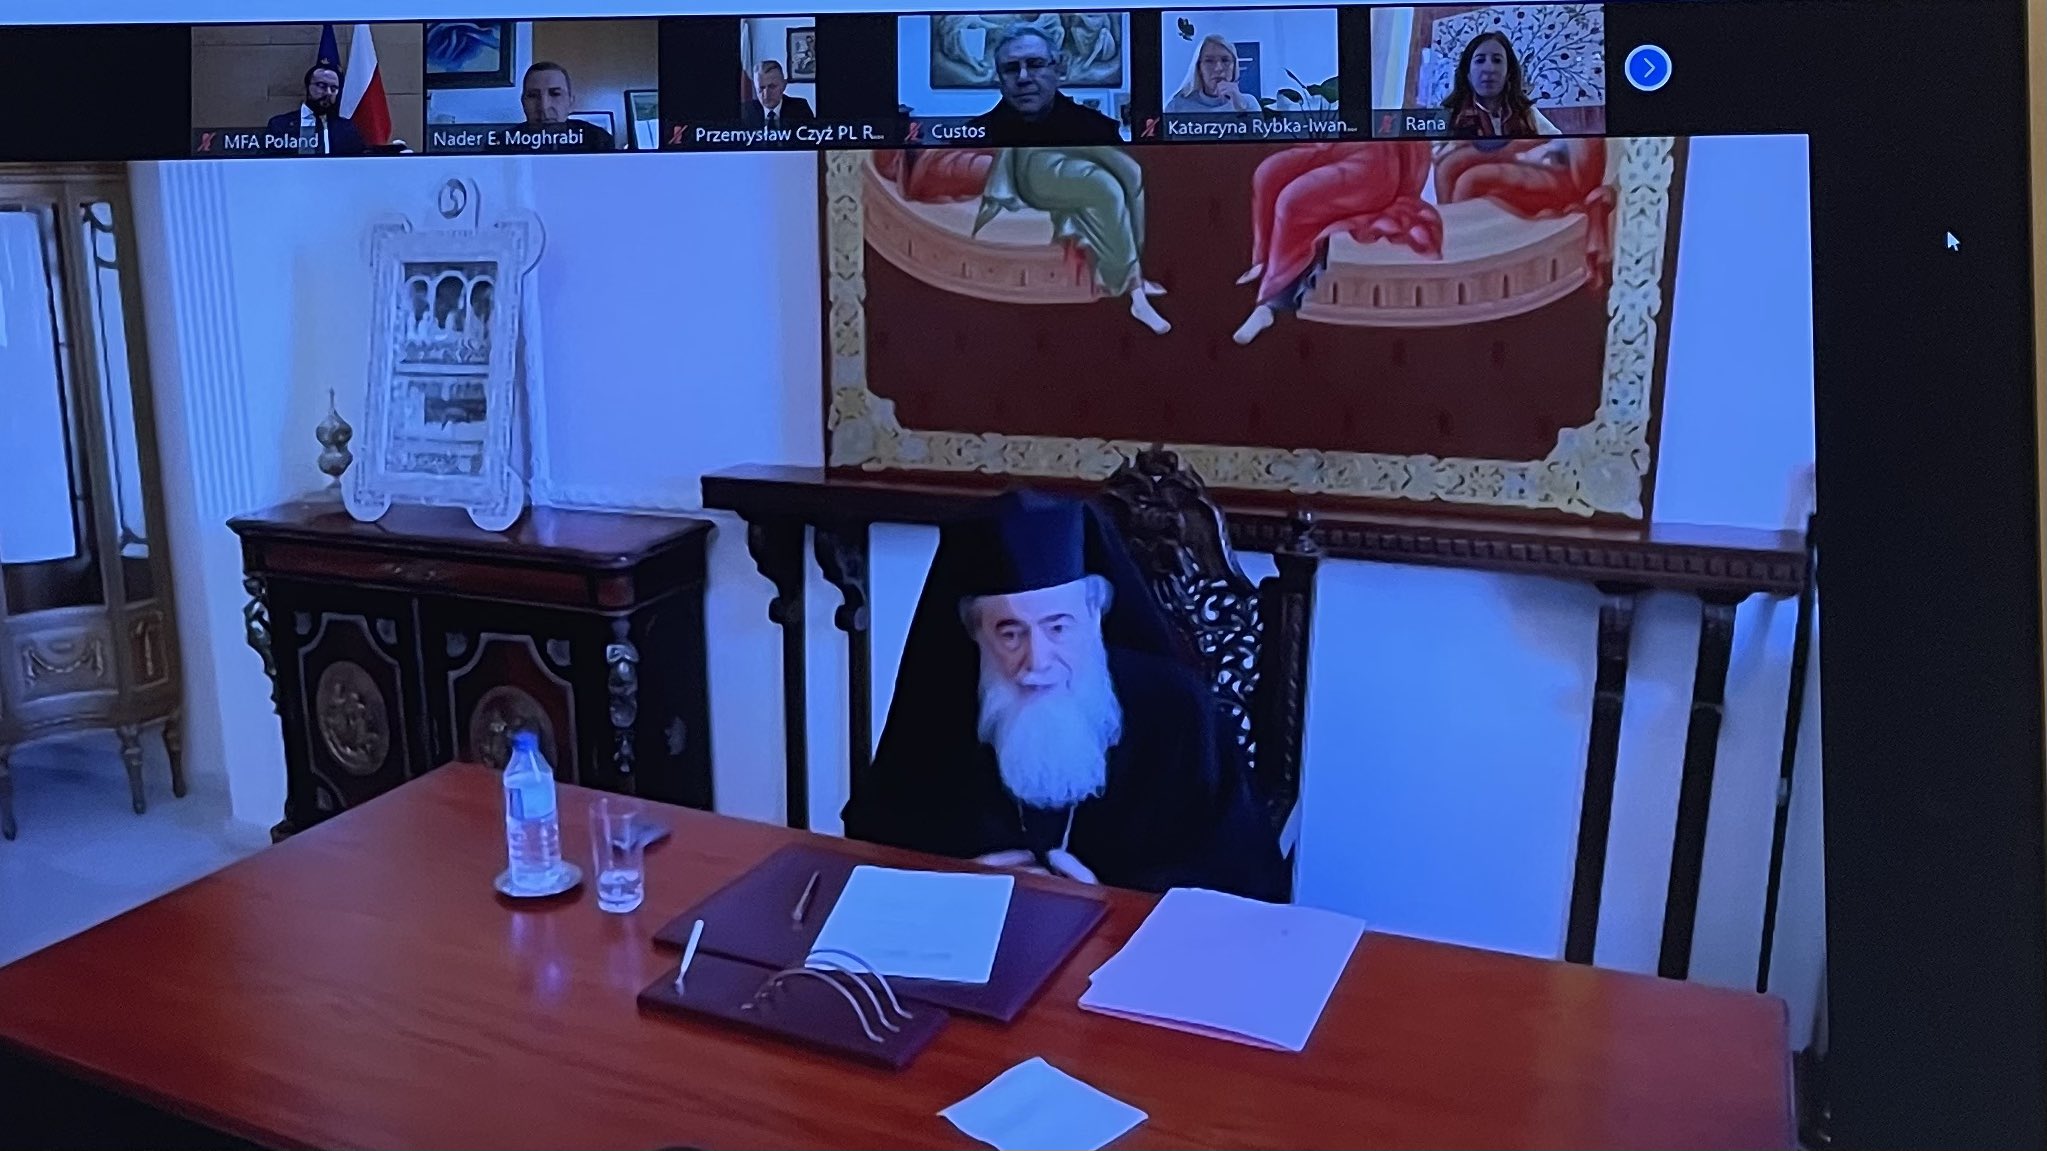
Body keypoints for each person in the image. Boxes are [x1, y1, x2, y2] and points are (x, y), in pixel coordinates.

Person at [843, 491, 1288, 902]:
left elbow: (1243, 879)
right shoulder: (940, 708)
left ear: (1094, 614)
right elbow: (875, 852)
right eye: (1010, 633)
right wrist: (957, 882)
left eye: (1057, 627)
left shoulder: (1174, 708)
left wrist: (1105, 903)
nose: (1036, 661)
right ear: (976, 633)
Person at [1230, 141, 1442, 345]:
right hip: (1334, 145)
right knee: (1268, 174)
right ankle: (1263, 263)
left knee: (1293, 202)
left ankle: (1271, 301)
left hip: (1378, 159)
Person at [975, 146, 1172, 334]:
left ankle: (1133, 272)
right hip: (1035, 156)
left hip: (1073, 137)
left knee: (1131, 172)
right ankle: (1136, 294)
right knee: (1106, 189)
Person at [968, 24, 1122, 145]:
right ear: (999, 78)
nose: (1023, 78)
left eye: (1035, 65)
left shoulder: (1099, 131)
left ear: (1059, 70)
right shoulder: (973, 135)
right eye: (1011, 68)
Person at [1439, 31, 1560, 138]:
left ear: (1508, 72)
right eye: (1480, 60)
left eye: (1497, 60)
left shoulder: (1527, 115)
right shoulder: (1447, 116)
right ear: (1467, 73)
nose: (1489, 69)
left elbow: (1561, 147)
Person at [267, 60, 366, 156]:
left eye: (333, 88)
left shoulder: (346, 129)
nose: (328, 92)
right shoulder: (279, 125)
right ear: (306, 88)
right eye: (321, 86)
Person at [519, 61, 615, 152]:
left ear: (570, 101)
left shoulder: (597, 139)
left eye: (555, 94)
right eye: (533, 96)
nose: (544, 107)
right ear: (523, 102)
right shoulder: (509, 142)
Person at [1165, 34, 1260, 115]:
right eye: (1209, 61)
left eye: (1225, 60)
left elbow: (1258, 131)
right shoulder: (1177, 106)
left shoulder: (1248, 103)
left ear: (1234, 66)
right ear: (1199, 67)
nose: (1218, 68)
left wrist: (1241, 108)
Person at [739, 60, 816, 129]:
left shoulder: (800, 108)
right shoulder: (745, 111)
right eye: (761, 88)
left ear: (784, 85)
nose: (766, 94)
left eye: (772, 86)